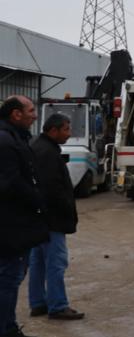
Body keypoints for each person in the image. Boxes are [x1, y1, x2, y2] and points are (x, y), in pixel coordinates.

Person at [0, 96, 47, 337]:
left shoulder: (14, 138)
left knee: (12, 278)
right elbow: (10, 184)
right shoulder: (5, 141)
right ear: (16, 114)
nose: (34, 115)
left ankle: (9, 330)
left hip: (17, 223)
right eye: (31, 110)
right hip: (9, 225)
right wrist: (36, 197)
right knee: (6, 281)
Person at [28, 113, 83, 321]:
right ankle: (58, 305)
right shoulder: (48, 153)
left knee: (38, 261)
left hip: (39, 217)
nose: (69, 134)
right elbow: (52, 189)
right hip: (53, 219)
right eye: (66, 129)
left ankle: (38, 303)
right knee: (56, 262)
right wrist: (67, 209)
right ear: (53, 130)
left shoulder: (38, 146)